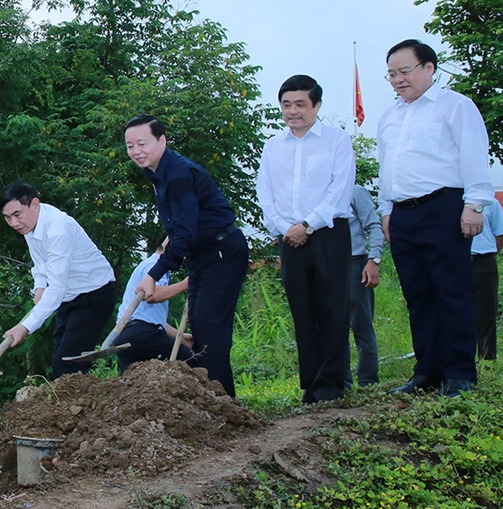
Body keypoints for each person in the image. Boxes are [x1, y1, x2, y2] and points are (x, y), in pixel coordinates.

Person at [376, 39, 494, 398]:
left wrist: (474, 204)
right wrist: (386, 212)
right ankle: (427, 370)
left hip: (443, 206)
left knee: (452, 290)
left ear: (429, 68)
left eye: (405, 71)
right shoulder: (389, 117)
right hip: (403, 213)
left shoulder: (454, 106)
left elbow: (474, 154)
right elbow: (387, 168)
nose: (398, 80)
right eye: (392, 74)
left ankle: (460, 372)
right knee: (418, 294)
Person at [124, 115, 248, 397]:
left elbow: (184, 234)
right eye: (130, 146)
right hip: (202, 255)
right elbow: (180, 227)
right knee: (202, 327)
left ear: (162, 140)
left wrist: (152, 275)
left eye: (141, 143)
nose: (136, 151)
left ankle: (223, 402)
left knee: (209, 329)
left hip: (222, 251)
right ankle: (214, 400)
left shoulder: (178, 173)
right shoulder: (157, 173)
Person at [255, 75, 355, 405]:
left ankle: (332, 384)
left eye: (300, 104)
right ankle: (311, 384)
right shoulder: (273, 146)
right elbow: (265, 195)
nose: (292, 111)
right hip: (289, 238)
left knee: (333, 308)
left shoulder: (336, 141)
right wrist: (285, 229)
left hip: (328, 234)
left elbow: (339, 192)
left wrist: (306, 225)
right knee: (303, 311)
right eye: (286, 104)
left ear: (316, 106)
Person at [0, 182, 118, 378]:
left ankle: (73, 407)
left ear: (34, 203)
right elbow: (40, 265)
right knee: (61, 354)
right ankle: (69, 404)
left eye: (17, 214)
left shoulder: (58, 229)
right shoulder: (29, 226)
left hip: (94, 293)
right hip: (68, 296)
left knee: (68, 363)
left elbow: (56, 288)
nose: (13, 223)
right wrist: (39, 288)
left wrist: (25, 327)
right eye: (7, 218)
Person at [113, 237, 194, 372]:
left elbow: (151, 319)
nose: (184, 258)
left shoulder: (147, 265)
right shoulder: (154, 266)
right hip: (142, 335)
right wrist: (186, 284)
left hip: (125, 337)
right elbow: (153, 295)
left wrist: (182, 338)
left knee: (130, 384)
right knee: (192, 363)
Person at [346, 185, 384, 388]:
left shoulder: (355, 191)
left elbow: (374, 227)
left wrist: (373, 260)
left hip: (355, 263)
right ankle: (341, 381)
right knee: (334, 327)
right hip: (330, 265)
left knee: (361, 325)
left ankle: (368, 381)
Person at [471, 198, 503, 361]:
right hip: (454, 263)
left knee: (486, 312)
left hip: (483, 262)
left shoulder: (489, 203)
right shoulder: (448, 201)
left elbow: (501, 234)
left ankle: (487, 359)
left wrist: (488, 252)